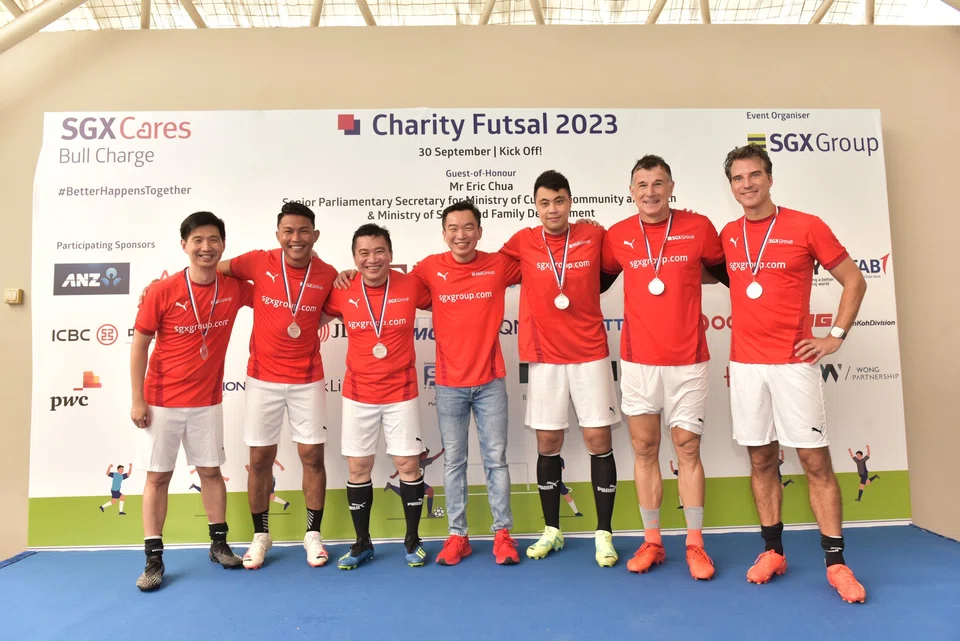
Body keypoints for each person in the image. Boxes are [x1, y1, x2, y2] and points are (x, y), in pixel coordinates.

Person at [721, 144, 868, 603]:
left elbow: (855, 279)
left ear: (770, 177)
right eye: (738, 178)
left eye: (755, 175)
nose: (747, 184)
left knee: (815, 463)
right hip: (745, 366)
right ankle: (773, 551)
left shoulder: (806, 225)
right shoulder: (728, 233)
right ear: (731, 185)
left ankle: (837, 562)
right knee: (761, 459)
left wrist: (835, 335)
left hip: (793, 364)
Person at [599, 155, 727, 580]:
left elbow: (728, 274)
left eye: (658, 183)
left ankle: (695, 544)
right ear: (631, 190)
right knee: (644, 449)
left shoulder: (699, 228)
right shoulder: (617, 236)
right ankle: (652, 541)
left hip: (688, 359)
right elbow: (590, 280)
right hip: (638, 361)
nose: (650, 192)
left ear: (672, 187)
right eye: (642, 184)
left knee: (688, 449)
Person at [499, 170, 621, 567]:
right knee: (547, 443)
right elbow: (482, 268)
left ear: (571, 202)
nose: (553, 209)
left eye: (560, 201)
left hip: (589, 353)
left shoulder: (593, 235)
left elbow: (618, 264)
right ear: (535, 205)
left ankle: (604, 533)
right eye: (545, 202)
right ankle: (552, 529)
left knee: (599, 440)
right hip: (545, 356)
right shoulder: (522, 241)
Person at [129, 211, 253, 591]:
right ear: (184, 245)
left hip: (207, 401)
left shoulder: (233, 288)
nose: (205, 247)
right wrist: (138, 399)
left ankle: (218, 544)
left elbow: (276, 287)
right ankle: (153, 558)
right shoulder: (162, 291)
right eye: (197, 240)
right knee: (158, 477)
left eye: (213, 239)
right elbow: (139, 346)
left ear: (223, 245)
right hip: (162, 400)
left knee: (211, 472)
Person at [217, 201, 339, 570]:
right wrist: (161, 284)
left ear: (315, 235)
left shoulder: (329, 273)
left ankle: (313, 535)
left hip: (307, 379)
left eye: (303, 231)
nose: (296, 238)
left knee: (312, 457)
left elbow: (336, 305)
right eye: (288, 231)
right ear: (278, 235)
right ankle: (260, 536)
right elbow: (210, 267)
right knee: (258, 461)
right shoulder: (257, 261)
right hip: (262, 380)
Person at [322, 223, 433, 570]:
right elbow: (309, 313)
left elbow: (450, 297)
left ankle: (413, 540)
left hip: (401, 392)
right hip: (358, 393)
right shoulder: (342, 289)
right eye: (364, 253)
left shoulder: (412, 285)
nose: (372, 259)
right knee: (358, 467)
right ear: (354, 258)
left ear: (391, 254)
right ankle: (361, 543)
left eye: (379, 251)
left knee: (408, 465)